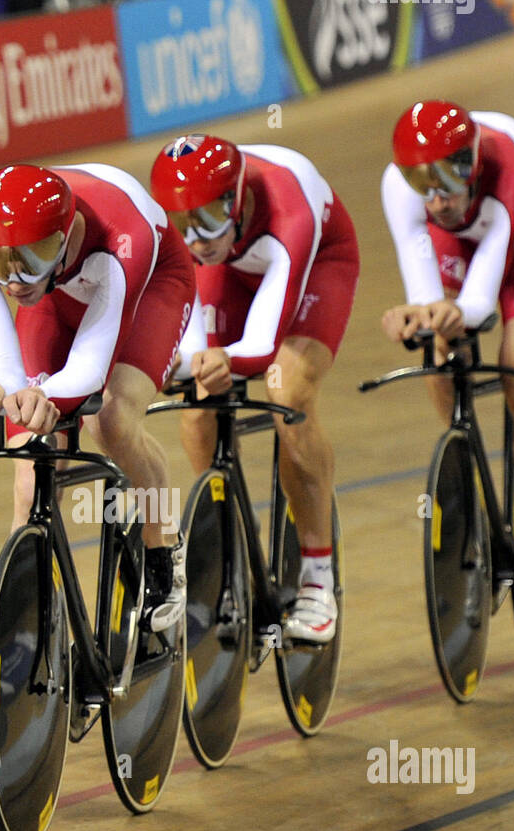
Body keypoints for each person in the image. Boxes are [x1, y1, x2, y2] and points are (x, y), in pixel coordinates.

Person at [0, 162, 193, 631]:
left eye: (33, 256)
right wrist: (3, 385)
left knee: (113, 420)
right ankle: (33, 614)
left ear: (65, 236)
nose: (15, 278)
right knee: (32, 469)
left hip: (150, 289)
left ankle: (163, 544)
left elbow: (87, 374)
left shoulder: (125, 238)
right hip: (56, 297)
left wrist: (43, 395)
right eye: (2, 261)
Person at [149, 135, 359, 644]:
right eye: (184, 223)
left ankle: (317, 576)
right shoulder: (194, 237)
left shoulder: (293, 206)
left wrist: (231, 359)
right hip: (233, 271)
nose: (196, 237)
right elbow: (186, 322)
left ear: (237, 199)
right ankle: (229, 543)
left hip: (315, 264)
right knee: (199, 403)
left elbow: (262, 347)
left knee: (287, 393)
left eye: (209, 219)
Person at [379, 100, 514, 628]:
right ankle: (464, 464)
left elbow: (482, 300)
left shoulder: (510, 164)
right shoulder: (402, 189)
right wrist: (418, 314)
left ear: (471, 165)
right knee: (443, 351)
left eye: (449, 180)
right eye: (425, 185)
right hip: (462, 246)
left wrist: (456, 311)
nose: (437, 199)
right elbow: (424, 285)